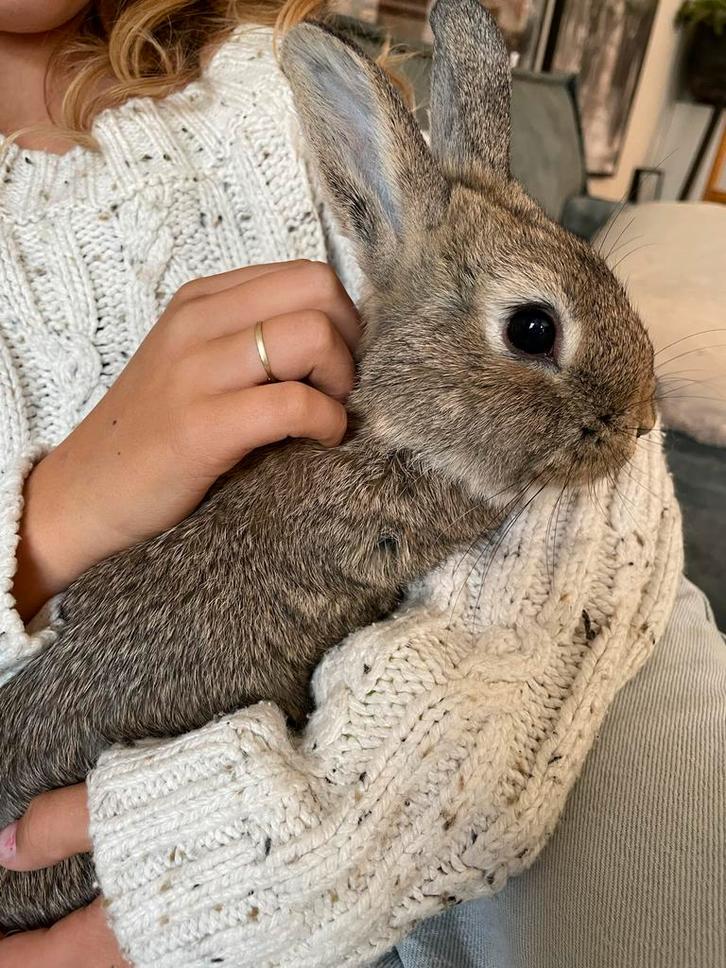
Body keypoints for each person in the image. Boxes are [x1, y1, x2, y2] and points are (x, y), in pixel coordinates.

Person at [0, 3, 722, 967]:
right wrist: (49, 525)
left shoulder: (250, 94)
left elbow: (607, 539)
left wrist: (333, 843)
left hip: (431, 816)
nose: (635, 422)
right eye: (534, 338)